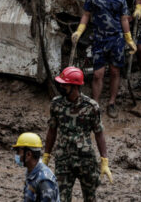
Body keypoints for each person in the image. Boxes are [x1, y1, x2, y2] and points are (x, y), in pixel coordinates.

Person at [71, 0, 135, 118]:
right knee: (98, 74)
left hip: (116, 39)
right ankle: (95, 104)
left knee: (114, 71)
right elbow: (86, 14)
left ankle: (112, 102)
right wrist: (79, 30)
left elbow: (124, 19)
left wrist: (129, 39)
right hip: (99, 39)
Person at [44, 67, 112, 202]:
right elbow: (52, 130)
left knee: (90, 198)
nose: (61, 86)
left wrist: (104, 161)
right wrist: (46, 156)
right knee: (61, 199)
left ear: (75, 86)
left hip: (86, 160)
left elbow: (99, 133)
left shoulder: (91, 106)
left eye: (64, 84)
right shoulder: (56, 104)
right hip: (63, 160)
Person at [11, 132, 59, 202]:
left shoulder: (44, 180)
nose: (17, 155)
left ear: (28, 154)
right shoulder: (31, 171)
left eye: (18, 152)